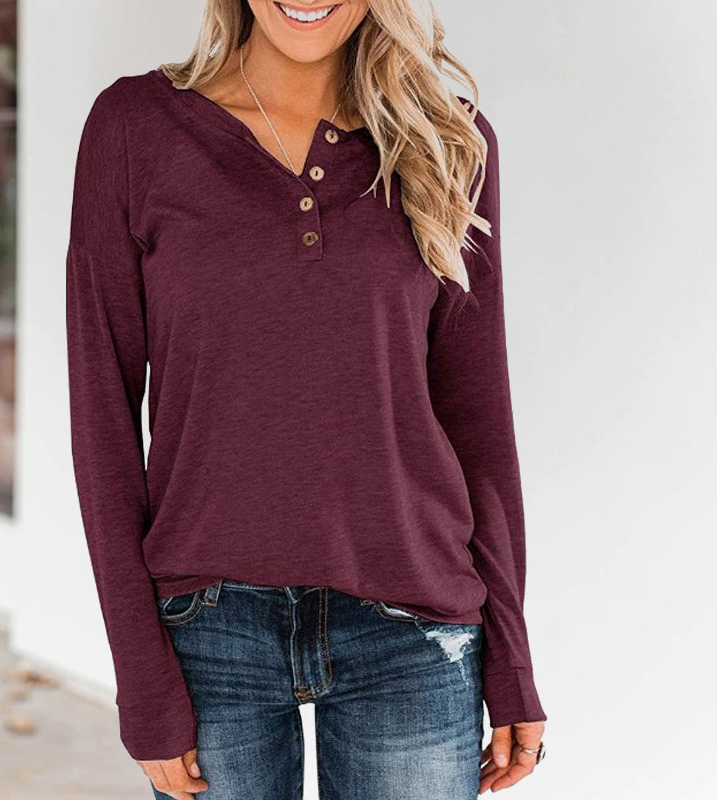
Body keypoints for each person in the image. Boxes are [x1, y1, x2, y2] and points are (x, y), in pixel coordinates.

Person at [65, 1, 548, 797]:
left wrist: (512, 659)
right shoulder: (135, 128)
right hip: (209, 627)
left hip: (415, 631)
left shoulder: (448, 139)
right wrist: (140, 676)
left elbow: (478, 415)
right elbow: (102, 421)